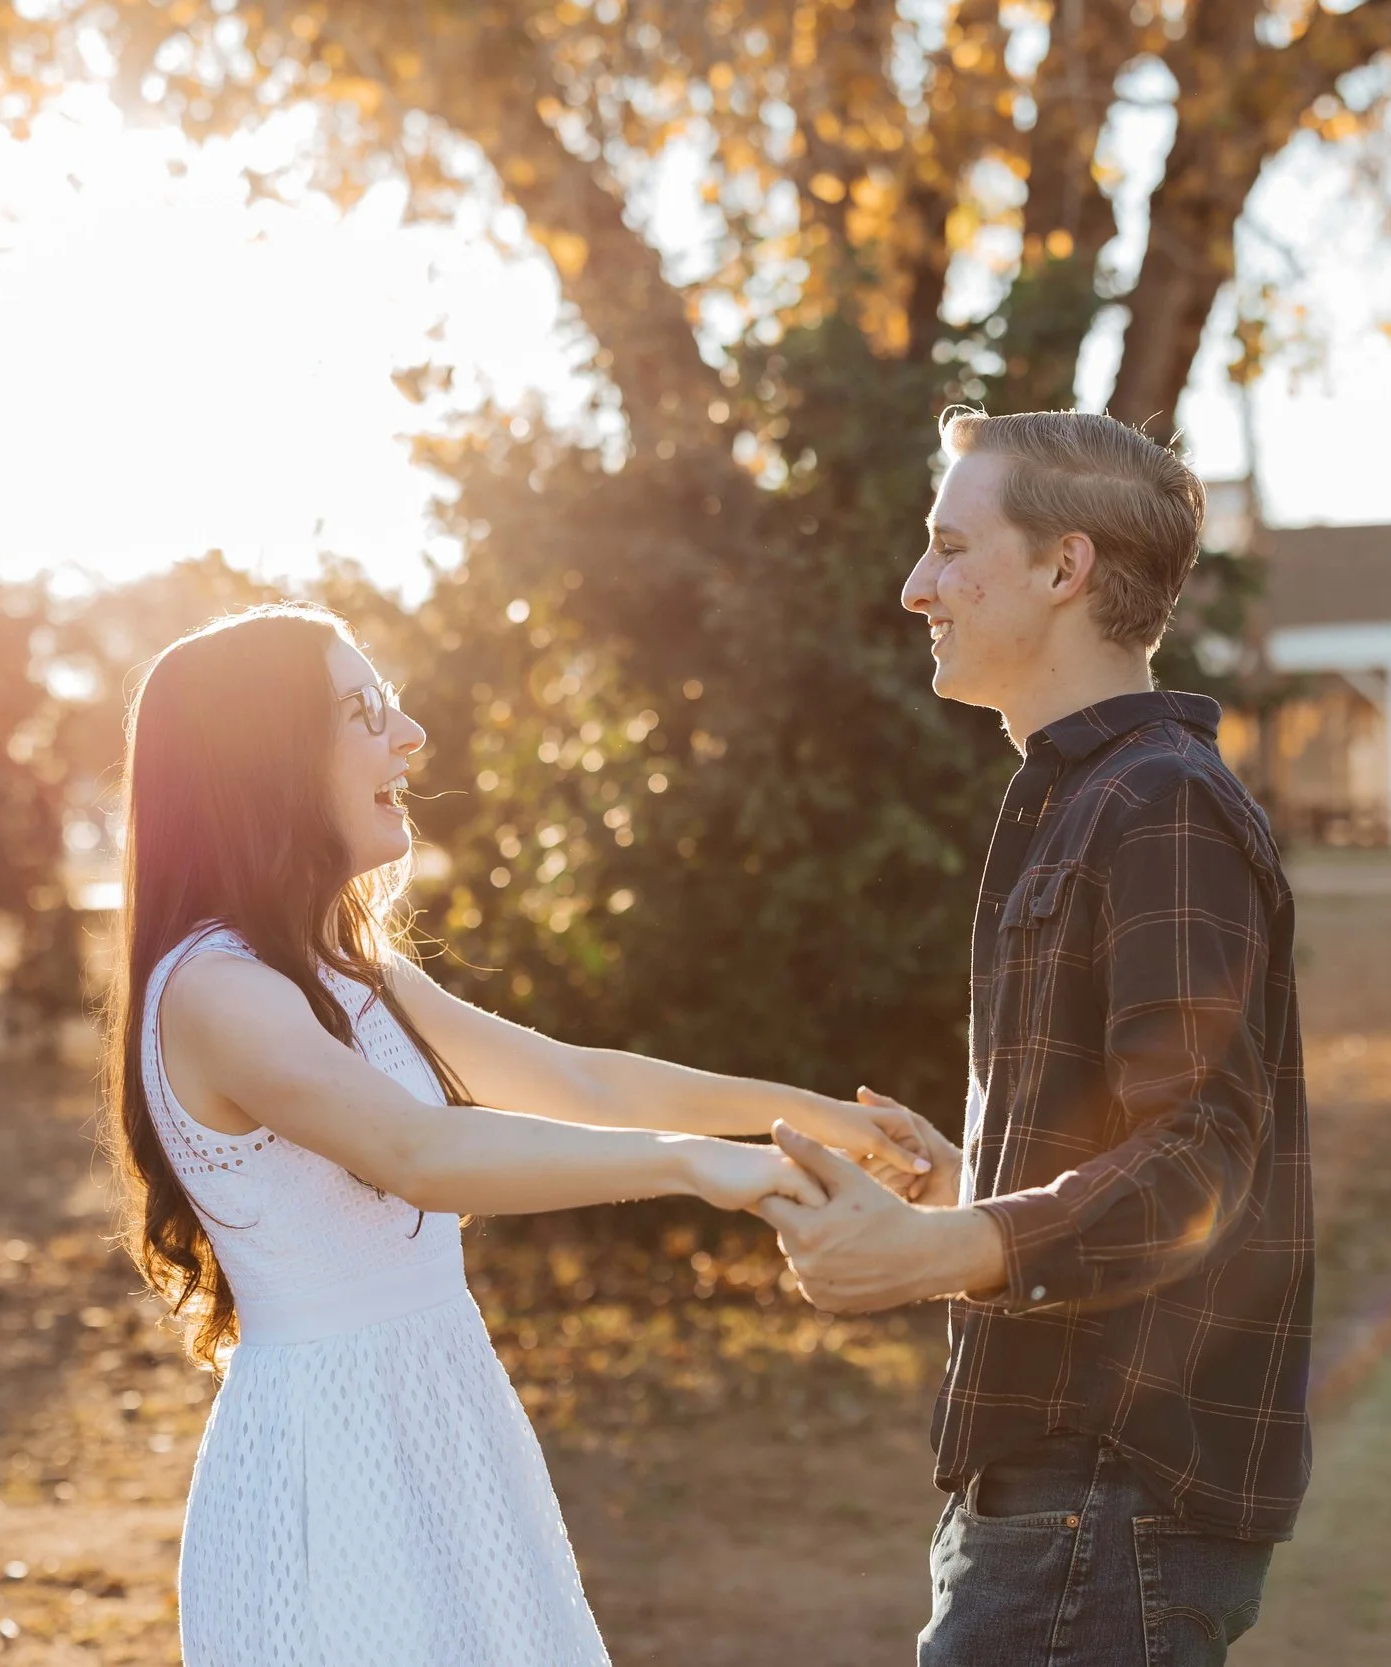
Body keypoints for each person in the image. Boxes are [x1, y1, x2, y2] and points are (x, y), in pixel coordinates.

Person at [103, 603, 929, 1666]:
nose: (409, 735)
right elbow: (416, 1151)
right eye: (362, 710)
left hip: (441, 1411)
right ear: (260, 757)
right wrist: (694, 1166)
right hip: (329, 1457)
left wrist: (824, 1119)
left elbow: (578, 1076)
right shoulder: (217, 991)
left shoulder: (351, 974)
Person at [760, 409, 1314, 1666]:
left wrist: (942, 1246)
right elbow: (1141, 1141)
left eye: (951, 548)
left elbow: (1200, 1158)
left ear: (1065, 570)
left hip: (1106, 1494)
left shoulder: (1160, 803)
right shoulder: (1085, 796)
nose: (916, 589)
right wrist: (971, 1184)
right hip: (1054, 1496)